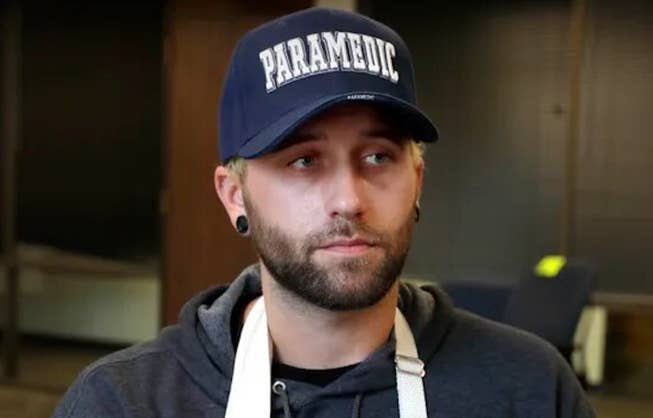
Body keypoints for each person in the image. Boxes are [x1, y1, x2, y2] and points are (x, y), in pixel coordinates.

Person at [53, 7, 595, 418]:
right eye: (304, 161)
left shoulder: (528, 389)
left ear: (417, 181)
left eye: (378, 157)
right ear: (234, 196)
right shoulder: (123, 402)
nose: (349, 200)